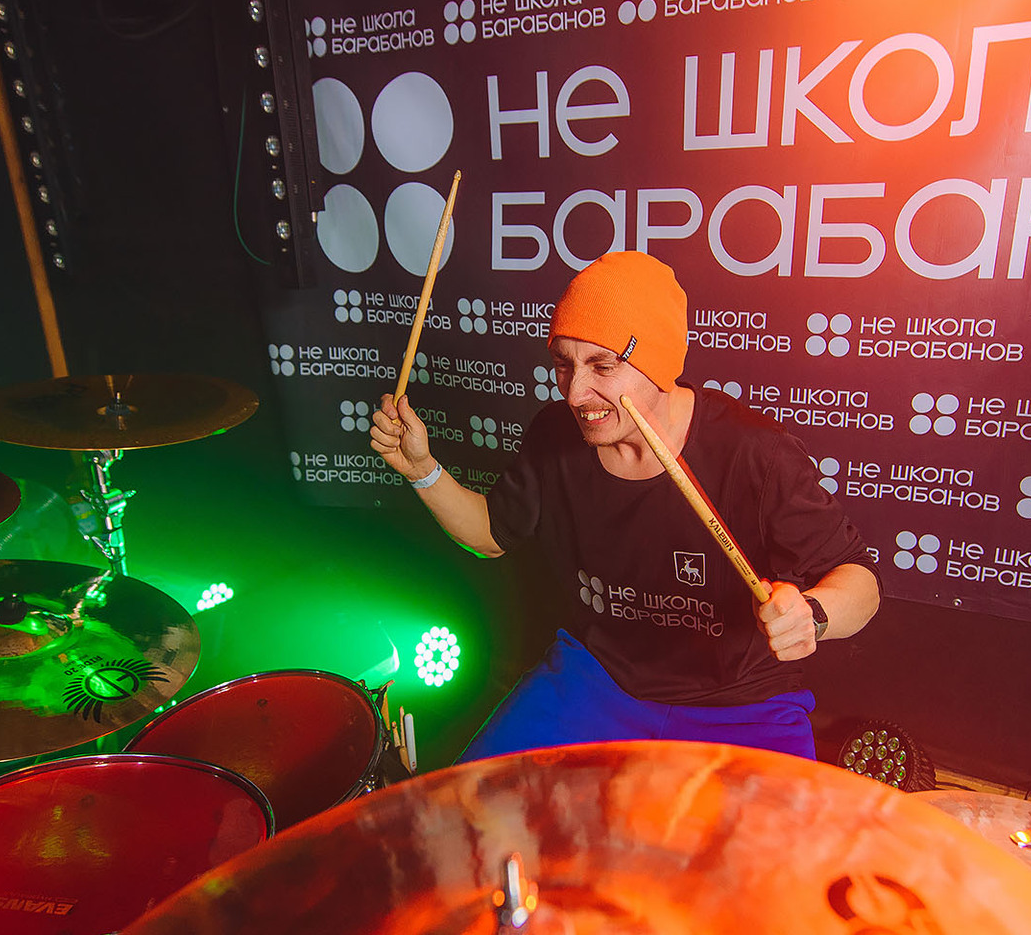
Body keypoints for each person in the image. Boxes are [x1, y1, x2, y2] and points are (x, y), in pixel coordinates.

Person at [370, 251, 879, 761]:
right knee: (470, 800)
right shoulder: (555, 436)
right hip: (597, 679)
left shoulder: (756, 455)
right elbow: (490, 536)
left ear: (658, 363)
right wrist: (422, 471)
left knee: (787, 819)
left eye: (603, 366)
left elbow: (860, 580)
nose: (576, 393)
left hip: (744, 701)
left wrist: (813, 615)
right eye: (564, 364)